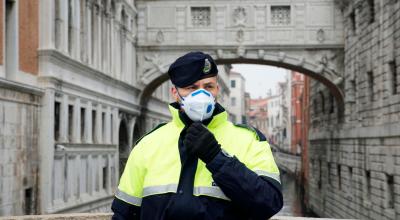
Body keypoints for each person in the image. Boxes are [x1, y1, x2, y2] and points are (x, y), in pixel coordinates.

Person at [111, 51, 283, 220]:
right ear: (175, 93)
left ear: (217, 90)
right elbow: (124, 214)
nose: (201, 95)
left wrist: (216, 157)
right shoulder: (148, 144)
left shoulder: (249, 140)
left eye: (208, 86)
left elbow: (269, 203)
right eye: (191, 87)